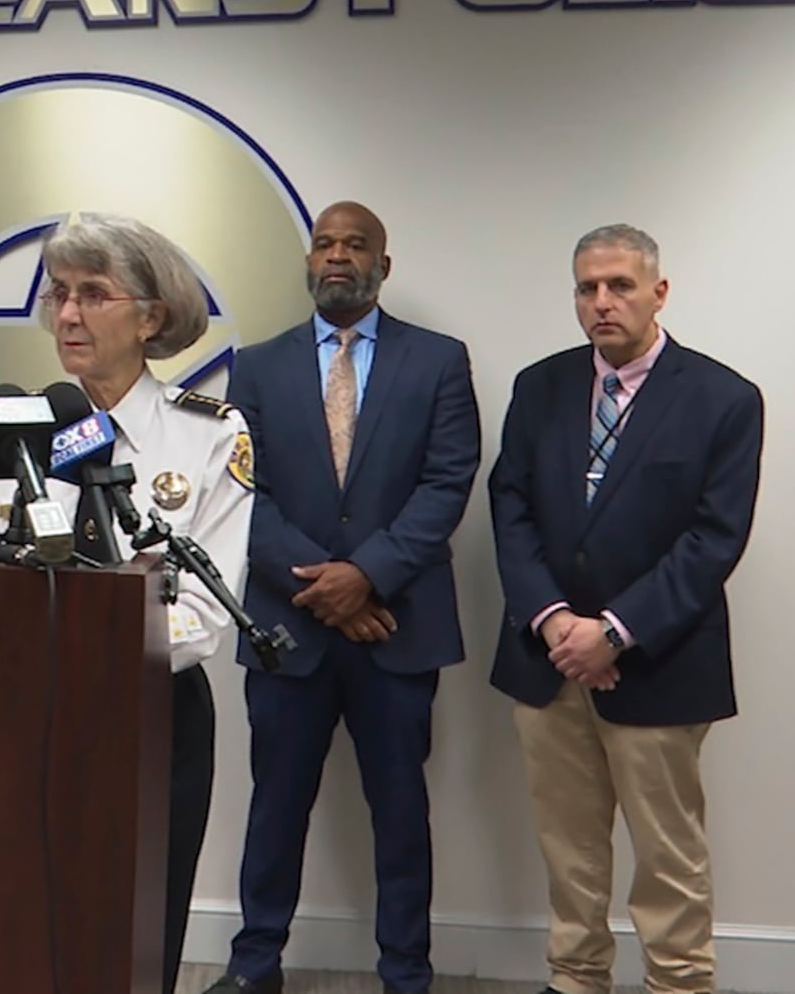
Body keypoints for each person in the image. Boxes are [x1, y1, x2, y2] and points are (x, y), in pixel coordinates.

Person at [0, 212, 252, 994]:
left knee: (133, 934)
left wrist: (80, 628)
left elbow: (203, 613)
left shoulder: (207, 436)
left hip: (148, 713)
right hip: (14, 708)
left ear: (151, 315)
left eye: (93, 294)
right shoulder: (17, 429)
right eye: (58, 294)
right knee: (10, 920)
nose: (66, 314)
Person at [208, 202, 480, 994]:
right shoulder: (256, 365)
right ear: (308, 261)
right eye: (324, 243)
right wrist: (326, 588)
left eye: (355, 244)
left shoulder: (439, 361)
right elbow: (239, 491)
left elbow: (446, 481)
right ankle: (254, 964)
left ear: (383, 266)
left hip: (396, 626)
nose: (337, 255)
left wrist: (367, 575)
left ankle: (406, 974)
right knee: (274, 809)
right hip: (286, 632)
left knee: (400, 815)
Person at [488, 224, 763, 994]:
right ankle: (574, 978)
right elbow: (509, 506)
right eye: (587, 287)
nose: (602, 301)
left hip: (659, 664)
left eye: (619, 285)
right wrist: (552, 620)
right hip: (548, 663)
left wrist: (612, 632)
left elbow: (714, 538)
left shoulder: (723, 398)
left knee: (668, 854)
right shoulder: (539, 386)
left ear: (659, 292)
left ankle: (677, 983)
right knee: (568, 847)